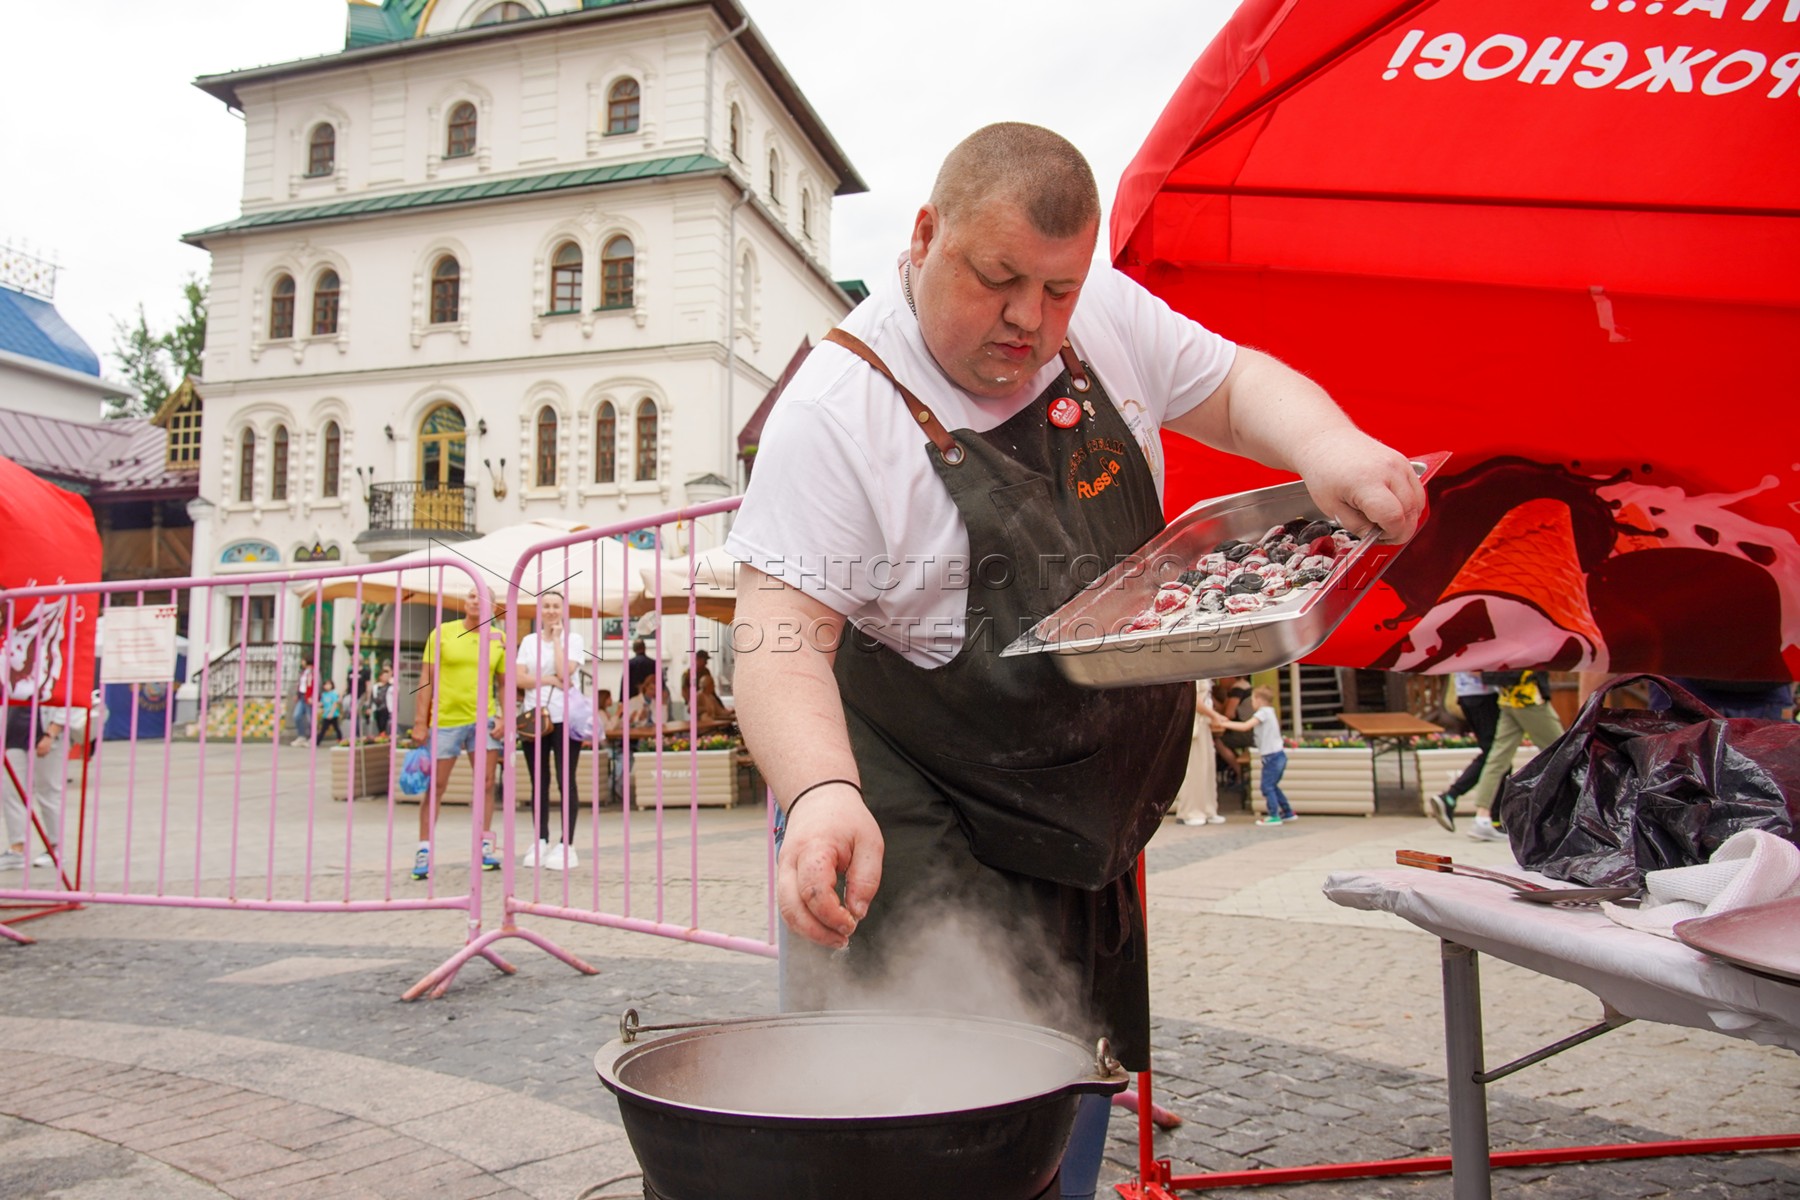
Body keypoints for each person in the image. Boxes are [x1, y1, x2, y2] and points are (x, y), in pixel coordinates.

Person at [725, 124, 1424, 1199]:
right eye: (997, 278)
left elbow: (1237, 388)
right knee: (929, 1119)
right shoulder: (837, 406)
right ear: (924, 238)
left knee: (1068, 1088)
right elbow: (775, 634)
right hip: (921, 810)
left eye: (1057, 289)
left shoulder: (1100, 321)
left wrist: (1328, 447)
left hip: (1082, 815)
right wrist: (817, 792)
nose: (1030, 321)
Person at [409, 588, 507, 880]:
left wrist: (504, 714)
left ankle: (484, 845)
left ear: (493, 605)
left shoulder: (498, 638)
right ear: (465, 602)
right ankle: (424, 848)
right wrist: (420, 722)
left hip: (484, 719)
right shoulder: (443, 633)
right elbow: (426, 678)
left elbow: (504, 683)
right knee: (436, 786)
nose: (477, 601)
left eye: (483, 597)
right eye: (472, 595)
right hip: (447, 720)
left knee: (487, 783)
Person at [516, 590, 586, 870]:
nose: (551, 611)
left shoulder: (574, 640)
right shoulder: (529, 641)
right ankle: (541, 838)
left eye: (556, 606)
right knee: (539, 781)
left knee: (565, 779)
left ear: (563, 610)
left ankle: (566, 844)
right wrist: (548, 680)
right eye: (546, 606)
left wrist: (557, 640)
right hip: (534, 718)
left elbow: (565, 672)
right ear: (539, 610)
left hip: (565, 718)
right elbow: (519, 678)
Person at [1465, 669, 1564, 843]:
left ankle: (1481, 816)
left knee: (1497, 759)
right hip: (1529, 699)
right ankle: (1577, 808)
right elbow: (1522, 668)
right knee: (1565, 751)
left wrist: (1485, 675)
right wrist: (1486, 675)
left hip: (1508, 699)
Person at [1, 704, 68, 874]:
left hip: (45, 731)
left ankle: (55, 846)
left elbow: (66, 702)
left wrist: (51, 733)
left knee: (49, 791)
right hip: (13, 733)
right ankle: (17, 848)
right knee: (11, 791)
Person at [1428, 672, 1498, 832]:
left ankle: (1495, 817)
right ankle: (1451, 797)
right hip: (1482, 693)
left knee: (1496, 755)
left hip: (1470, 693)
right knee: (1494, 755)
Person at [1217, 687, 1292, 826]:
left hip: (1272, 757)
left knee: (1266, 787)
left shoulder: (1263, 713)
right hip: (1278, 755)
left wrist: (1224, 723)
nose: (1251, 702)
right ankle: (1287, 812)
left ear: (1259, 700)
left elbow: (1246, 726)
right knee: (1273, 785)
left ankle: (1274, 815)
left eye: (1252, 699)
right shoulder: (1270, 712)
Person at [1173, 680, 1227, 826]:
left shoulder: (1205, 675)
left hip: (1204, 724)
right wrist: (1215, 715)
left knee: (1207, 769)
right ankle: (1189, 812)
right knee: (1195, 770)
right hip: (1195, 725)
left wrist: (1213, 716)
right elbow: (1194, 701)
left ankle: (1208, 809)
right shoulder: (1194, 674)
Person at [290, 653, 316, 747]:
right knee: (297, 716)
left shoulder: (314, 672)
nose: (302, 662)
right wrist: (297, 694)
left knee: (310, 719)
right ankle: (301, 736)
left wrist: (313, 697)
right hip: (302, 696)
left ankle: (312, 738)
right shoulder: (303, 672)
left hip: (309, 697)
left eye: (303, 660)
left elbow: (316, 685)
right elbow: (301, 684)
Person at [316, 678, 344, 744]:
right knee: (323, 729)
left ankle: (340, 739)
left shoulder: (333, 694)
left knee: (336, 728)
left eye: (329, 684)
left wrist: (331, 713)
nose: (327, 686)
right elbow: (322, 703)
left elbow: (335, 704)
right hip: (326, 714)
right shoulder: (324, 694)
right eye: (325, 684)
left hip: (333, 715)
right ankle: (317, 741)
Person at [371, 664, 395, 737]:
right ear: (380, 677)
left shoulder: (391, 686)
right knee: (379, 724)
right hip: (377, 708)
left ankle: (383, 736)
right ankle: (381, 736)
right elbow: (372, 697)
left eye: (387, 676)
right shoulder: (375, 686)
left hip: (386, 708)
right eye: (384, 676)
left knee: (383, 724)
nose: (385, 677)